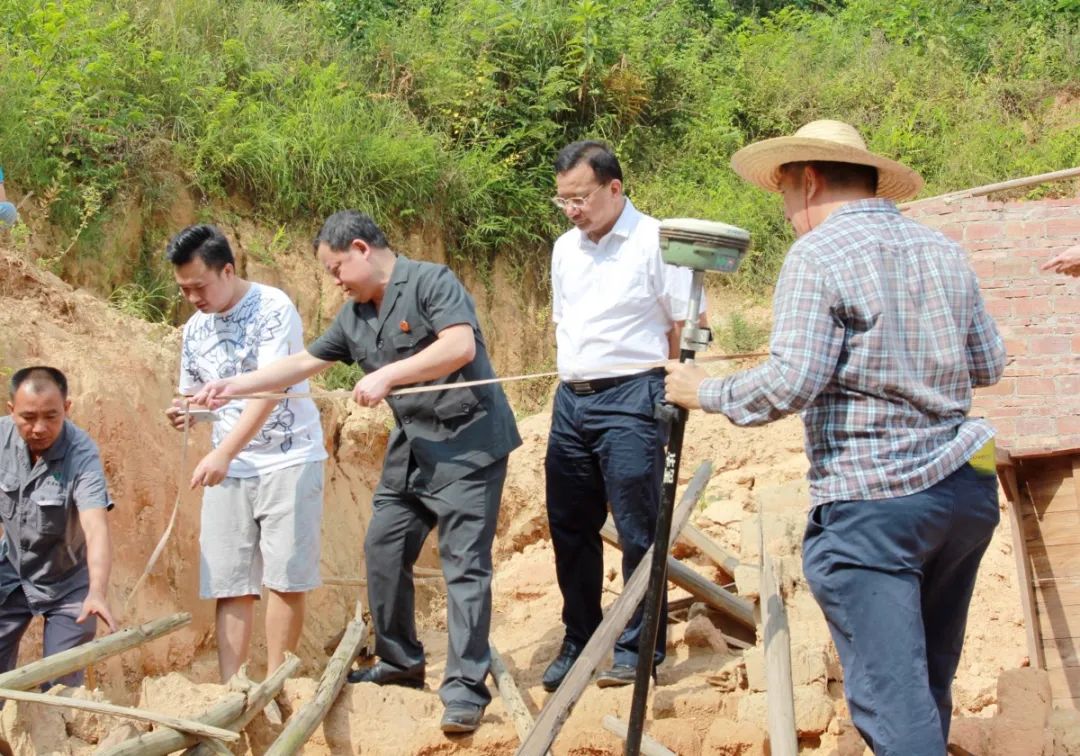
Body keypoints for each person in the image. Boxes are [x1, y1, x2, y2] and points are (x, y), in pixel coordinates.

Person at [665, 120, 1006, 754]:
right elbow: (987, 364)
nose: (789, 215)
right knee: (925, 683)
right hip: (963, 491)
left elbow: (789, 384)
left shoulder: (817, 255)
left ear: (809, 180)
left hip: (874, 501)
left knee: (890, 699)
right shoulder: (944, 250)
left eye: (786, 198)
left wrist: (700, 390)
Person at [191, 210, 521, 735]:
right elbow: (302, 365)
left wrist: (389, 374)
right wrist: (234, 386)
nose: (335, 280)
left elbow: (459, 346)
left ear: (362, 249)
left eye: (335, 268)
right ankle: (400, 663)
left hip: (469, 444)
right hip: (412, 448)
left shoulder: (432, 281)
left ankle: (463, 689)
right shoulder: (354, 316)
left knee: (464, 566)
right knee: (383, 550)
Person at [541, 140, 704, 692]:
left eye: (580, 198)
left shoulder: (657, 241)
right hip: (571, 401)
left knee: (638, 528)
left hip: (633, 399)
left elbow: (685, 323)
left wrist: (674, 393)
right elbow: (565, 321)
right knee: (569, 525)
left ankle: (639, 648)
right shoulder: (565, 249)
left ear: (614, 188)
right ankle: (580, 638)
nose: (572, 210)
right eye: (563, 200)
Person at [163, 225, 327, 682]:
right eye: (184, 289)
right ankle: (232, 687)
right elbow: (197, 398)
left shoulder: (272, 307)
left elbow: (272, 388)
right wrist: (188, 415)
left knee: (285, 578)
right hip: (229, 467)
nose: (193, 297)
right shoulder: (195, 329)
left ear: (228, 270)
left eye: (200, 285)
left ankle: (278, 681)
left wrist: (223, 455)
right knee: (229, 582)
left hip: (288, 460)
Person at [0, 366, 116, 687]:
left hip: (69, 586)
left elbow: (95, 528)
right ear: (11, 412)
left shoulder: (82, 454)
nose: (39, 428)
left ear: (67, 408)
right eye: (28, 417)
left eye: (51, 417)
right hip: (10, 573)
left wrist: (96, 592)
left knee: (60, 688)